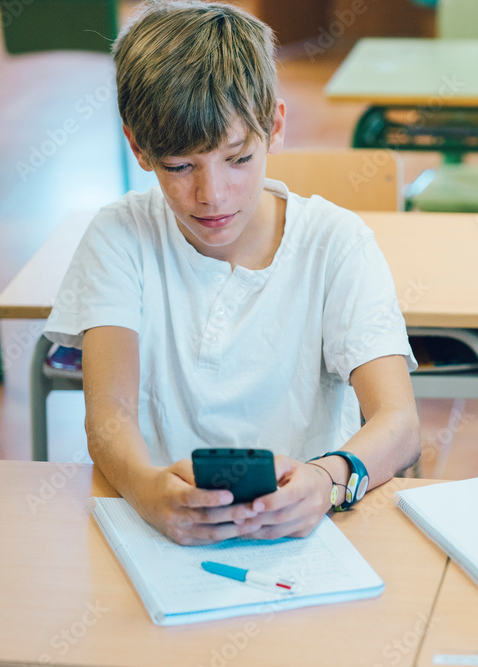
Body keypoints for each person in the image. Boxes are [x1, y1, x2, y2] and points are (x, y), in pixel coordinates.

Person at [44, 1, 420, 544]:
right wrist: (149, 491)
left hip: (308, 535)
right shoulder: (118, 236)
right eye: (180, 167)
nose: (212, 194)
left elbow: (400, 423)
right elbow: (109, 417)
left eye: (238, 159)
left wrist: (326, 479)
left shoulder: (336, 243)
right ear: (138, 147)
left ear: (275, 126)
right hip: (158, 534)